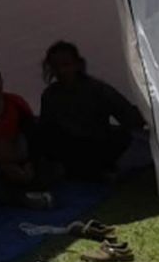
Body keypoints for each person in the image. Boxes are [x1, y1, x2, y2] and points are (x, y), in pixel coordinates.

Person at [38, 40, 145, 181]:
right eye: (56, 67)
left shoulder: (98, 90)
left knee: (123, 139)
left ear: (77, 65)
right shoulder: (50, 95)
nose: (62, 71)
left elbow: (128, 116)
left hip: (97, 146)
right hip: (68, 150)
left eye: (66, 65)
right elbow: (46, 131)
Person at [0, 57, 54, 209]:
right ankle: (21, 199)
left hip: (20, 162)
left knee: (51, 169)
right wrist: (2, 165)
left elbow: (33, 138)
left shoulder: (16, 104)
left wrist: (28, 164)